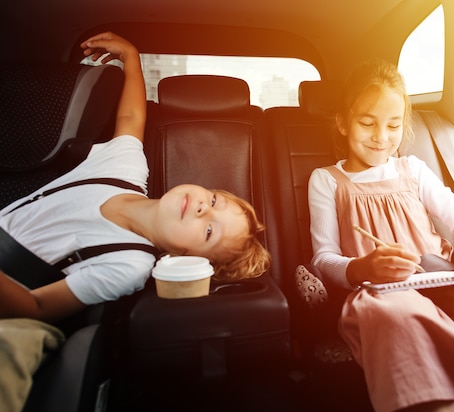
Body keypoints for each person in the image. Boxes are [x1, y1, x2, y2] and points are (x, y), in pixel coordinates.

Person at [0, 32, 270, 324]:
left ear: (187, 259)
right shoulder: (123, 170)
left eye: (208, 231)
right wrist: (131, 58)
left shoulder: (130, 265)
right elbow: (130, 119)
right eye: (215, 200)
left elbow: (35, 306)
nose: (204, 209)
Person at [307, 59, 454, 412]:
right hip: (383, 294)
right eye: (367, 123)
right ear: (343, 123)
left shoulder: (413, 169)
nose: (381, 136)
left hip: (441, 280)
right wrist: (363, 267)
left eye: (394, 125)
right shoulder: (327, 180)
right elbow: (323, 259)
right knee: (397, 317)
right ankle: (439, 407)